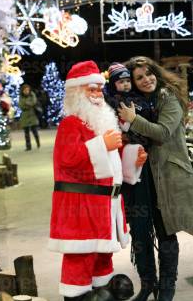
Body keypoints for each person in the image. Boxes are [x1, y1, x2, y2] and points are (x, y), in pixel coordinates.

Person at [48, 61, 147, 300]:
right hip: (81, 206)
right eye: (90, 89)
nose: (96, 95)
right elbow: (68, 158)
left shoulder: (99, 122)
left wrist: (133, 159)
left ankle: (101, 292)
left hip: (105, 205)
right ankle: (78, 296)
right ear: (76, 92)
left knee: (103, 256)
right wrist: (103, 144)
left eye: (98, 89)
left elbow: (110, 160)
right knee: (80, 257)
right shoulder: (70, 124)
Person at [117, 56, 193, 301]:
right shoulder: (128, 103)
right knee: (140, 235)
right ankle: (148, 285)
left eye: (149, 74)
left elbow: (162, 132)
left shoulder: (167, 98)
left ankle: (166, 289)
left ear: (156, 74)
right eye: (139, 77)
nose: (146, 80)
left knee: (165, 232)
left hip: (166, 176)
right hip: (139, 178)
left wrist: (133, 119)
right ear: (132, 82)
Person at [19, 84, 41, 151]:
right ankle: (28, 146)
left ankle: (38, 143)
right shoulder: (21, 97)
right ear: (22, 91)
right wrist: (28, 104)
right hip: (25, 116)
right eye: (25, 90)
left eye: (27, 90)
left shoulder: (32, 95)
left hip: (32, 115)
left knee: (35, 131)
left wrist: (27, 103)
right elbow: (21, 105)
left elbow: (33, 102)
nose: (26, 91)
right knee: (26, 133)